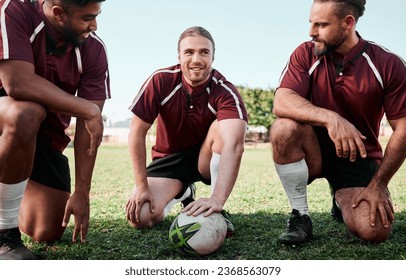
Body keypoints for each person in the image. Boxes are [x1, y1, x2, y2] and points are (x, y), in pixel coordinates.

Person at [271, 0, 405, 245]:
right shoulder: (305, 52)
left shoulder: (387, 63)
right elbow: (282, 101)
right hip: (312, 151)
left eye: (321, 25)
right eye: (311, 23)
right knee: (282, 128)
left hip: (356, 157)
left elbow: (403, 129)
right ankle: (300, 215)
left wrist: (379, 184)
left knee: (374, 230)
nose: (312, 32)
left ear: (348, 23)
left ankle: (341, 199)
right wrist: (331, 119)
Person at [0, 0, 110, 259]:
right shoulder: (14, 10)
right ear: (59, 14)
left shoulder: (93, 49)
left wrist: (82, 191)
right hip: (7, 122)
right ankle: (5, 236)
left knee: (46, 230)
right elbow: (17, 83)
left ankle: (11, 182)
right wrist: (88, 109)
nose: (94, 26)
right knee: (26, 113)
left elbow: (88, 129)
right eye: (87, 18)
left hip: (44, 141)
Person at [126, 26, 248, 237]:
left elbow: (234, 145)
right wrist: (141, 185)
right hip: (169, 159)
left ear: (213, 57)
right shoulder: (161, 80)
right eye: (189, 52)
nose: (196, 59)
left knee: (222, 126)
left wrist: (217, 199)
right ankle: (183, 192)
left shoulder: (225, 91)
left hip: (205, 159)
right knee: (141, 218)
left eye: (204, 52)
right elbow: (137, 132)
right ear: (179, 55)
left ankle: (215, 210)